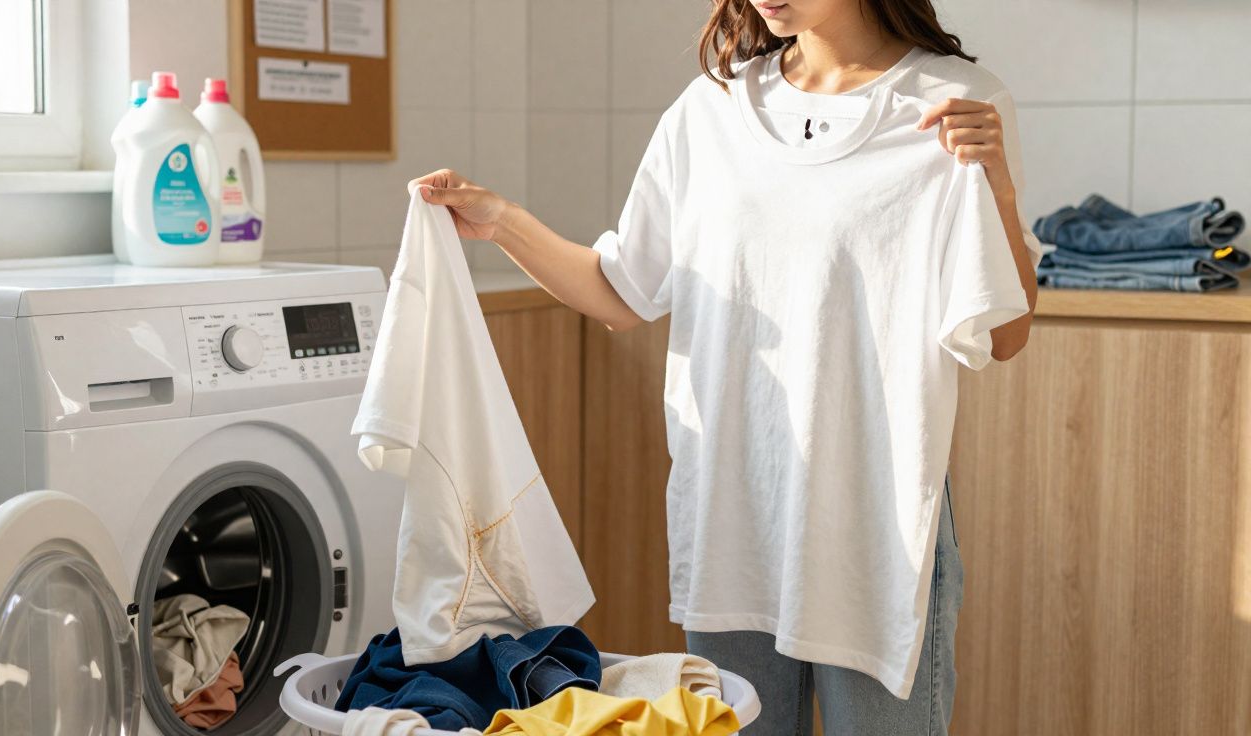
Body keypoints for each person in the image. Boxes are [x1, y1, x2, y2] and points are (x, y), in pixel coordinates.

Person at [412, 0, 1038, 733]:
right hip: (733, 523)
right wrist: (499, 222)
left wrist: (996, 186)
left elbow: (1003, 335)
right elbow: (621, 292)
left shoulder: (950, 103)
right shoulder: (709, 111)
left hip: (876, 532)